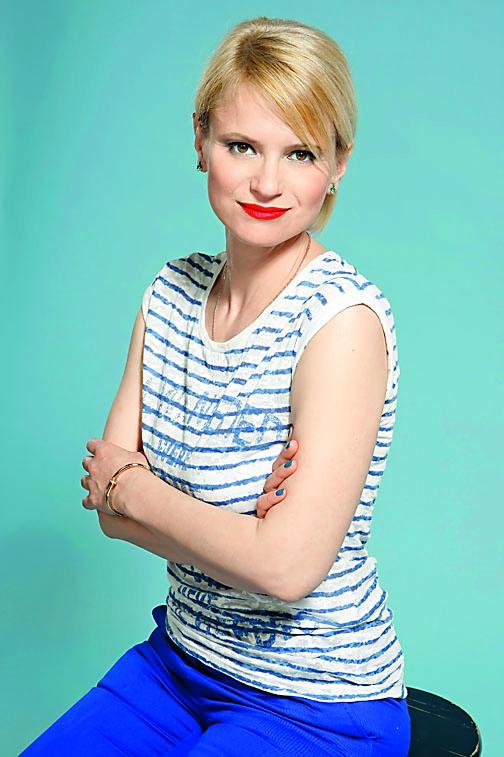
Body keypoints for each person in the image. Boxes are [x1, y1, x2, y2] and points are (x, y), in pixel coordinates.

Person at [20, 15, 411, 757]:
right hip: (177, 665)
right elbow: (106, 511)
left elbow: (286, 569)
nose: (268, 182)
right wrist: (241, 531)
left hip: (316, 701)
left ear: (338, 164)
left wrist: (140, 489)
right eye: (242, 146)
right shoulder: (169, 295)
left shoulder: (340, 322)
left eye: (301, 153)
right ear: (200, 139)